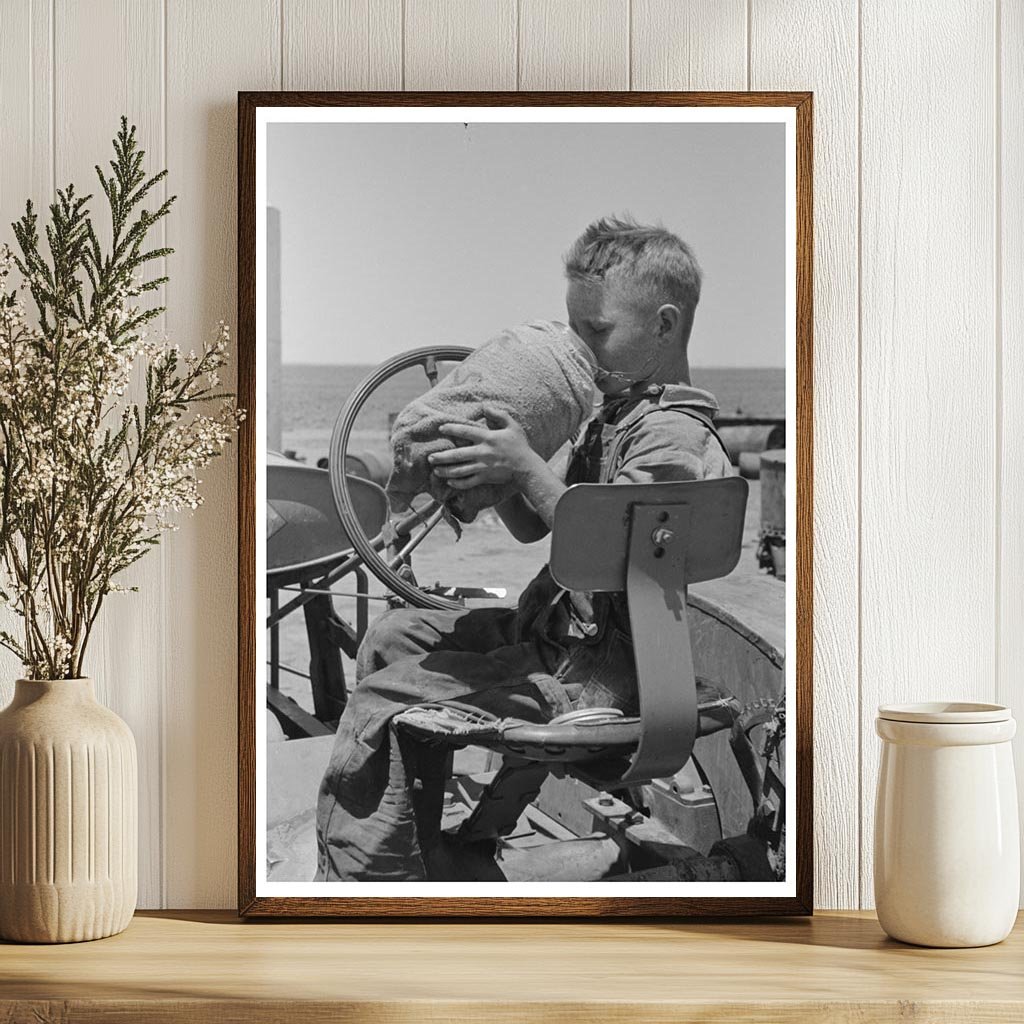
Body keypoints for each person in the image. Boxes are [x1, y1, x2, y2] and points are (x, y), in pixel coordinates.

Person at [314, 214, 733, 882]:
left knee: (380, 699)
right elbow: (535, 529)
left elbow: (605, 553)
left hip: (603, 674)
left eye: (598, 331)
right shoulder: (613, 415)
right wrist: (504, 468)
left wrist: (528, 467)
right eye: (576, 329)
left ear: (663, 325)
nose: (583, 348)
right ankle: (418, 844)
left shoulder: (672, 437)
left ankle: (367, 881)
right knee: (395, 638)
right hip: (555, 635)